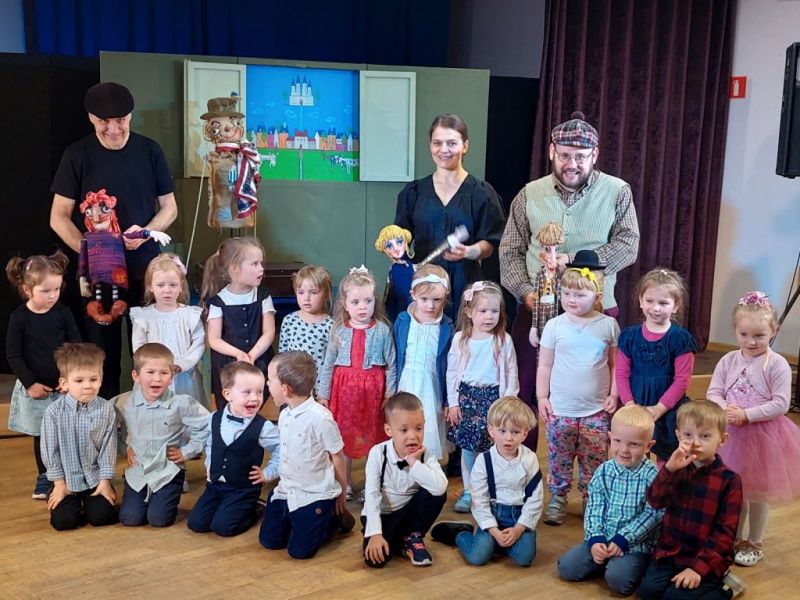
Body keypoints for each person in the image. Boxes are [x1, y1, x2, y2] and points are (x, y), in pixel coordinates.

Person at [499, 111, 639, 412]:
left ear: (594, 155)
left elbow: (628, 245)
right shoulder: (529, 194)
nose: (571, 164)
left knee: (596, 389)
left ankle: (590, 444)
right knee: (528, 390)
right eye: (564, 155)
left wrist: (576, 263)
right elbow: (509, 251)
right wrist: (527, 294)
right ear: (552, 151)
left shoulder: (617, 191)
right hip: (536, 309)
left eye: (580, 157)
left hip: (597, 310)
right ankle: (524, 445)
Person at [49, 82, 178, 399]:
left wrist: (145, 232)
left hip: (146, 271)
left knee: (150, 353)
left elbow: (170, 207)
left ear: (130, 116)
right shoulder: (77, 154)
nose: (113, 129)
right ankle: (102, 416)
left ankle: (148, 416)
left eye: (120, 120)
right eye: (103, 121)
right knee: (100, 353)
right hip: (98, 275)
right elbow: (59, 216)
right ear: (91, 119)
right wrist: (93, 252)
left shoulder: (149, 150)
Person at [707, 292, 800, 568]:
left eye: (759, 335)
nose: (751, 341)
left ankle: (754, 542)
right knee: (734, 490)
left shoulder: (777, 364)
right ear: (735, 330)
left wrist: (746, 415)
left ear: (774, 330)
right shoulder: (728, 360)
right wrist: (725, 409)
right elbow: (714, 391)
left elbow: (781, 403)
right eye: (744, 334)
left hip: (763, 437)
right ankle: (732, 536)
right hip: (730, 434)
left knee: (758, 493)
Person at [536, 251, 620, 526]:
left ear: (597, 296)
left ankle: (591, 497)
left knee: (594, 456)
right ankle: (558, 496)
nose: (572, 300)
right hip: (561, 408)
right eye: (567, 293)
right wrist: (542, 396)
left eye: (580, 295)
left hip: (596, 409)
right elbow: (545, 365)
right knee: (559, 455)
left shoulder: (608, 325)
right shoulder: (554, 326)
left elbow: (615, 365)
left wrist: (614, 394)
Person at [395, 114, 505, 320]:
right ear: (430, 145)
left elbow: (491, 243)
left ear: (465, 146)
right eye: (437, 143)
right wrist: (395, 250)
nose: (444, 150)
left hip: (464, 285)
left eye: (452, 143)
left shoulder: (482, 194)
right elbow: (400, 238)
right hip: (423, 287)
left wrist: (469, 251)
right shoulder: (413, 193)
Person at [638, 400, 745, 600]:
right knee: (648, 592)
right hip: (671, 553)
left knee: (674, 597)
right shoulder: (675, 467)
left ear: (722, 439)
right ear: (678, 436)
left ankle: (726, 588)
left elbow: (725, 533)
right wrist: (669, 470)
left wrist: (698, 569)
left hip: (707, 558)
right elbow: (655, 501)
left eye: (705, 436)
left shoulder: (730, 481)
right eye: (688, 435)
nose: (695, 442)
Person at [557, 405, 663, 596]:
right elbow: (594, 508)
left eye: (634, 444)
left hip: (633, 545)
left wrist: (624, 539)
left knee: (619, 582)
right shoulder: (604, 471)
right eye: (618, 441)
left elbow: (654, 514)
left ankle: (628, 565)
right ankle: (605, 560)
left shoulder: (652, 476)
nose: (624, 450)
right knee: (566, 568)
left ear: (648, 446)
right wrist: (595, 538)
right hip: (603, 538)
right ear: (609, 437)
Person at [259, 351, 355, 559]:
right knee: (269, 541)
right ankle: (300, 520)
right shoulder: (284, 415)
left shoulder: (321, 418)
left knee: (299, 552)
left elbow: (337, 455)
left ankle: (332, 517)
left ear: (285, 389)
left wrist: (340, 493)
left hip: (314, 494)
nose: (267, 384)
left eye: (270, 380)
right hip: (287, 490)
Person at [432, 397, 542, 567]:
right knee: (477, 558)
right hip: (492, 517)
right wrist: (494, 531)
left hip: (519, 518)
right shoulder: (484, 460)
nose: (508, 438)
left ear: (525, 434)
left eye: (515, 432)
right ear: (491, 430)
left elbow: (535, 498)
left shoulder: (530, 459)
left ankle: (500, 544)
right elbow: (479, 500)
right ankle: (461, 534)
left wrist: (518, 529)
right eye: (502, 431)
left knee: (524, 558)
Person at [5, 251, 81, 500]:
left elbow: (75, 345)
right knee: (42, 436)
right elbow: (14, 354)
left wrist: (68, 377)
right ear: (27, 289)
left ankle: (70, 474)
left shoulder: (62, 312)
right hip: (37, 390)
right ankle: (45, 476)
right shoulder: (19, 317)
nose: (52, 296)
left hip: (63, 387)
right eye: (45, 291)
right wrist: (30, 384)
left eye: (56, 289)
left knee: (67, 433)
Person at [318, 267, 397, 501]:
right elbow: (328, 364)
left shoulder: (382, 330)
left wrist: (390, 393)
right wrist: (323, 394)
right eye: (355, 302)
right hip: (344, 394)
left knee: (372, 437)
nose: (362, 307)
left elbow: (391, 363)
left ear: (375, 301)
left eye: (367, 301)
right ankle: (345, 482)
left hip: (373, 395)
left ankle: (372, 483)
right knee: (344, 437)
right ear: (344, 304)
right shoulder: (338, 330)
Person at [115, 343, 210, 527]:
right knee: (130, 519)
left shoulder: (181, 403)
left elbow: (208, 424)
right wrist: (124, 448)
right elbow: (105, 425)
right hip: (138, 471)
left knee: (158, 519)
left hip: (168, 471)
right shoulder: (124, 402)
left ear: (172, 377)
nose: (157, 379)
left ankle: (166, 497)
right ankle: (141, 499)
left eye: (164, 373)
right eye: (150, 372)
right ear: (136, 376)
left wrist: (187, 451)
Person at [445, 281, 519, 513]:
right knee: (468, 449)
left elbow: (511, 371)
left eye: (494, 311)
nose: (489, 316)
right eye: (483, 311)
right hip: (467, 399)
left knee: (493, 448)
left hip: (493, 400)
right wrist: (453, 402)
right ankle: (469, 490)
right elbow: (452, 372)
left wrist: (509, 400)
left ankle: (491, 491)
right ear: (469, 312)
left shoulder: (503, 340)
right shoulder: (460, 339)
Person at [187, 361, 280, 537]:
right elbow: (211, 444)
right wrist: (209, 465)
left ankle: (255, 508)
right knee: (196, 523)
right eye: (247, 392)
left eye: (259, 392)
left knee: (223, 528)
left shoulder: (263, 427)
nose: (255, 398)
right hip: (215, 485)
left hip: (243, 488)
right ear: (228, 394)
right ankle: (226, 508)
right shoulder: (214, 418)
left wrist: (268, 473)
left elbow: (281, 449)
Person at [616, 268, 697, 464]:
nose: (655, 308)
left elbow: (682, 380)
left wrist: (660, 408)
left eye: (663, 303)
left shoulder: (680, 339)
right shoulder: (629, 336)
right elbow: (621, 373)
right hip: (635, 404)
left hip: (668, 408)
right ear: (641, 301)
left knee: (667, 458)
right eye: (650, 301)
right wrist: (629, 404)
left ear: (676, 306)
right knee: (634, 454)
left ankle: (663, 483)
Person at [361, 392, 448, 568]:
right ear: (389, 430)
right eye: (404, 430)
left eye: (418, 428)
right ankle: (405, 539)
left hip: (410, 513)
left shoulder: (426, 454)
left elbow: (440, 489)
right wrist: (375, 533)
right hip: (384, 515)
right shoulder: (378, 453)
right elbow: (371, 494)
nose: (413, 436)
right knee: (375, 560)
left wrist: (414, 463)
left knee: (436, 490)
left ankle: (413, 536)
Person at [40, 343, 118, 531]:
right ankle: (64, 497)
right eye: (79, 380)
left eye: (93, 379)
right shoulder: (53, 412)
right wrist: (59, 484)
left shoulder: (107, 409)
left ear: (101, 379)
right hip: (66, 480)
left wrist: (105, 482)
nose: (88, 386)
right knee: (63, 523)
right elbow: (50, 450)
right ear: (64, 383)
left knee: (101, 517)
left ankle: (91, 504)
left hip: (94, 478)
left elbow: (108, 448)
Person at [201, 236, 276, 411]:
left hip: (258, 360)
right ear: (234, 268)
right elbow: (214, 339)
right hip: (229, 365)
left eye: (261, 263)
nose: (261, 268)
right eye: (255, 264)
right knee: (230, 406)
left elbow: (269, 332)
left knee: (254, 402)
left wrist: (252, 356)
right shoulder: (218, 302)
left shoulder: (263, 296)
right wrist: (238, 354)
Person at [130, 254, 209, 408]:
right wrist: (154, 366)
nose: (167, 290)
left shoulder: (190, 315)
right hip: (153, 376)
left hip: (184, 377)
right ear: (150, 286)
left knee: (185, 411)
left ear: (181, 286)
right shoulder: (143, 317)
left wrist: (182, 364)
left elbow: (199, 343)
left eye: (173, 285)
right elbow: (139, 347)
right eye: (160, 285)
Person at [394, 264, 454, 461]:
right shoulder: (403, 321)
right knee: (404, 425)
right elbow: (395, 356)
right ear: (413, 295)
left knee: (428, 429)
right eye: (424, 299)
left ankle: (428, 470)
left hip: (432, 387)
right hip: (406, 384)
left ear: (446, 296)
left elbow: (450, 367)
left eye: (437, 300)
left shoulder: (447, 327)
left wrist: (448, 400)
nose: (430, 306)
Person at [278, 265, 334, 395]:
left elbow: (330, 363)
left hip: (318, 389)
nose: (306, 298)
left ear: (326, 295)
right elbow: (282, 355)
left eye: (313, 292)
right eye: (301, 292)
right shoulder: (289, 320)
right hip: (291, 387)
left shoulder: (330, 325)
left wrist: (324, 392)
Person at [374, 224, 416, 322]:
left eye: (399, 242)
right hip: (403, 314)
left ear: (405, 241)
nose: (396, 248)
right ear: (385, 249)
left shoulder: (410, 265)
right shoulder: (396, 270)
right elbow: (400, 296)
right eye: (389, 246)